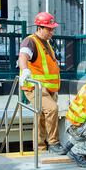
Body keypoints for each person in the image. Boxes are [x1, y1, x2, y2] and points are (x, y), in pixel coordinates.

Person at [18, 12, 62, 153]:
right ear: (39, 28)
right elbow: (23, 56)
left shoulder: (46, 43)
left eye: (52, 29)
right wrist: (24, 70)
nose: (51, 32)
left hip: (49, 89)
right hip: (36, 87)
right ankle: (54, 144)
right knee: (52, 109)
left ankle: (40, 149)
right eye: (48, 28)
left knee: (41, 118)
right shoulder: (30, 41)